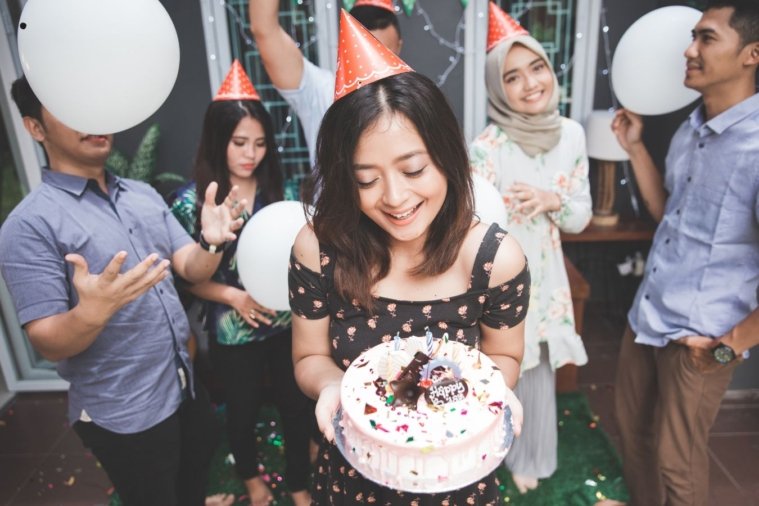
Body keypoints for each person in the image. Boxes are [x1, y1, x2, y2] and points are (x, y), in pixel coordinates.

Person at [287, 11, 528, 504]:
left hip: (457, 476)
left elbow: (504, 354)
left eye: (413, 168)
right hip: (355, 475)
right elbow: (310, 354)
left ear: (446, 156)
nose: (394, 198)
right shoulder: (317, 249)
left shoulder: (495, 258)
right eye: (366, 180)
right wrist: (334, 387)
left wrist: (487, 394)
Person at [0, 76, 244, 506]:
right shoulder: (28, 225)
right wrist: (93, 310)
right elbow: (47, 340)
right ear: (35, 128)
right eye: (71, 109)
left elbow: (189, 265)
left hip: (183, 385)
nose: (94, 119)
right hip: (124, 414)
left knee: (192, 481)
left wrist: (211, 242)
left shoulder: (143, 195)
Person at [610, 1, 759, 504]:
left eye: (707, 38)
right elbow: (668, 213)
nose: (689, 49)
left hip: (700, 339)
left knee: (679, 466)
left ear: (752, 54)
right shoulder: (688, 128)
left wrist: (728, 343)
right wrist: (635, 148)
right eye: (692, 36)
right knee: (633, 439)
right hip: (648, 314)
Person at [170, 60, 315, 506]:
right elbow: (186, 278)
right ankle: (252, 479)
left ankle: (298, 482)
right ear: (219, 142)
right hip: (234, 327)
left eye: (259, 143)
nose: (251, 153)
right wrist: (233, 295)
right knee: (242, 408)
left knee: (296, 407)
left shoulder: (282, 190)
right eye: (239, 143)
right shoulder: (193, 200)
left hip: (288, 323)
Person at [469, 4, 591, 494]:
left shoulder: (572, 135)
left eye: (536, 68)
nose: (530, 84)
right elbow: (474, 227)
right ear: (499, 90)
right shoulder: (486, 148)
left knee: (538, 370)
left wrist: (551, 199)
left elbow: (579, 217)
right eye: (512, 77)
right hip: (501, 277)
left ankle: (532, 456)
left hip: (549, 275)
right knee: (501, 365)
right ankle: (486, 450)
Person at [248, 0, 402, 168]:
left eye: (383, 55)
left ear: (398, 48)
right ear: (345, 48)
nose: (373, 67)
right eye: (362, 55)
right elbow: (264, 29)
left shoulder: (414, 102)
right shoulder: (321, 91)